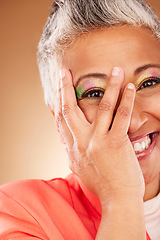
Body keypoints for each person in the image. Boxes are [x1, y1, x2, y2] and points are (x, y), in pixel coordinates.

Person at [0, 0, 160, 239]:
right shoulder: (17, 211)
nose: (132, 121)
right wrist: (121, 196)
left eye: (148, 83)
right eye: (95, 93)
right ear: (60, 120)